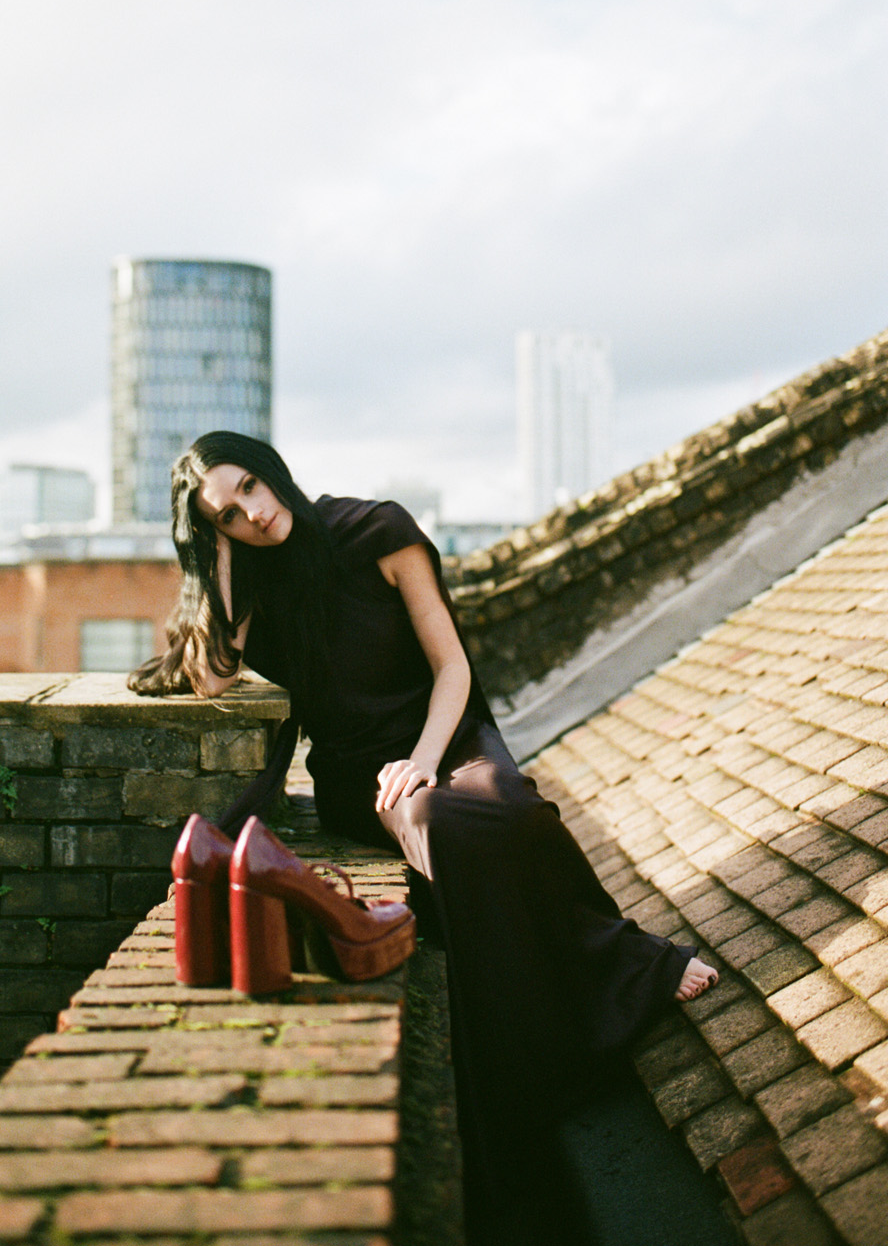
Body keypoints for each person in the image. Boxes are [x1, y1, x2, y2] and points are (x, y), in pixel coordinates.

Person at [130, 431, 717, 1245]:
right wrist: (213, 557)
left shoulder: (379, 531)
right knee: (440, 827)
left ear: (273, 470)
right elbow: (213, 676)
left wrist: (425, 758)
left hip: (445, 736)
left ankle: (618, 953)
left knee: (506, 808)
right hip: (359, 777)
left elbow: (452, 667)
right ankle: (558, 1050)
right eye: (229, 515)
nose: (255, 515)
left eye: (251, 488)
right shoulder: (251, 583)